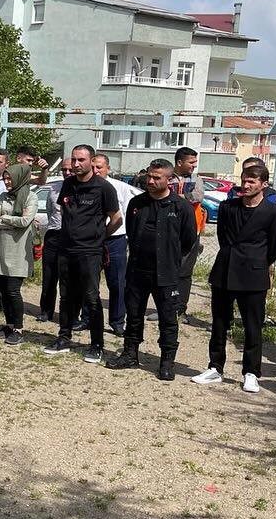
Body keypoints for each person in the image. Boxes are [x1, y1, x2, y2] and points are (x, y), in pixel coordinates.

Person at [194, 164, 276, 392]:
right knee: (219, 322)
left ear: (263, 184)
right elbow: (223, 236)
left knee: (252, 326)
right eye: (244, 180)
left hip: (253, 274)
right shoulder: (228, 207)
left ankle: (251, 372)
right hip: (225, 270)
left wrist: (257, 262)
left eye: (252, 182)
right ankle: (215, 367)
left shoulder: (274, 213)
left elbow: (274, 246)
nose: (246, 185)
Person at [106, 159, 198, 381]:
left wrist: (173, 262)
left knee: (168, 318)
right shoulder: (137, 203)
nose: (151, 180)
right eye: (149, 176)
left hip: (166, 274)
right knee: (134, 314)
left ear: (169, 179)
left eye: (157, 177)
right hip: (137, 270)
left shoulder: (181, 206)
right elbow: (132, 231)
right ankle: (130, 354)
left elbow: (188, 240)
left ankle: (166, 361)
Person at [43, 145, 121, 363]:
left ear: (91, 161)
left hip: (90, 252)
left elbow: (116, 219)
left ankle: (97, 345)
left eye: (81, 160)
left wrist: (99, 238)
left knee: (91, 298)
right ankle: (64, 337)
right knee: (66, 296)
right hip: (65, 250)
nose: (76, 165)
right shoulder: (68, 184)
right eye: (74, 160)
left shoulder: (104, 188)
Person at [81, 153, 138, 335]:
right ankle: (88, 318)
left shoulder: (120, 187)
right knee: (89, 281)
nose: (96, 170)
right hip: (91, 240)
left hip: (115, 240)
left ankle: (117, 321)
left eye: (100, 167)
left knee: (117, 283)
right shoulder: (85, 186)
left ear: (108, 168)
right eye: (94, 167)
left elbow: (128, 216)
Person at [0, 162, 39, 345]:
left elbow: (26, 221)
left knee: (13, 290)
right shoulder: (3, 196)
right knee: (3, 290)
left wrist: (6, 219)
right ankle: (9, 324)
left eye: (10, 178)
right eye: (5, 178)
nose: (7, 182)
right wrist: (13, 221)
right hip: (2, 248)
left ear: (19, 178)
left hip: (19, 250)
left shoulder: (31, 197)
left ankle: (19, 328)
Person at [172, 146, 207, 324]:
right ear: (180, 162)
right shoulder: (167, 176)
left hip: (191, 230)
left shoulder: (196, 179)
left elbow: (197, 197)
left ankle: (180, 309)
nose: (194, 165)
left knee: (185, 271)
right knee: (167, 269)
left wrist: (174, 196)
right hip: (169, 231)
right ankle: (166, 308)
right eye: (191, 162)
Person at [37, 163, 70, 322]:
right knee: (49, 275)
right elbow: (51, 211)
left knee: (69, 278)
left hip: (71, 237)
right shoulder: (53, 188)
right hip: (53, 234)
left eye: (70, 169)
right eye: (64, 169)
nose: (67, 172)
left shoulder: (82, 187)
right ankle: (46, 310)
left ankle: (68, 313)